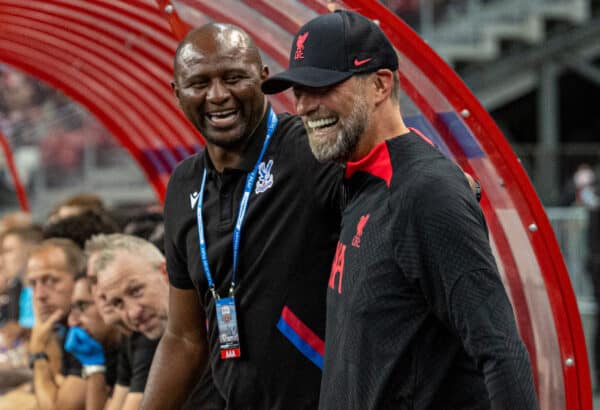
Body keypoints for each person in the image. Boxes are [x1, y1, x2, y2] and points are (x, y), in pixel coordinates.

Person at [262, 10, 539, 409]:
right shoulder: (357, 181)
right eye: (298, 90)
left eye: (321, 87)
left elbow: (500, 351)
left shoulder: (427, 192)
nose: (304, 106)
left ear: (379, 84)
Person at [140, 22, 343, 410]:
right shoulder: (183, 185)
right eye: (199, 83)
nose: (218, 96)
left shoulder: (311, 151)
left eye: (234, 78)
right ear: (177, 92)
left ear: (264, 79)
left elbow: (399, 174)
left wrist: (453, 185)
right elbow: (184, 338)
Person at [94, 233, 224, 410]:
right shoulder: (144, 338)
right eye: (118, 303)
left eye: (136, 291)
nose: (132, 313)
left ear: (165, 272)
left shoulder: (218, 321)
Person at [25, 238, 87, 410]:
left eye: (50, 280)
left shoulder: (86, 331)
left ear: (80, 280)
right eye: (33, 284)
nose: (39, 295)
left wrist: (37, 353)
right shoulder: (64, 327)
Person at [65, 273, 122, 410]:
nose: (72, 321)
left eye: (82, 306)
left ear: (107, 301)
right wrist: (94, 367)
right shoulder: (94, 344)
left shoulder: (139, 343)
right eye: (72, 308)